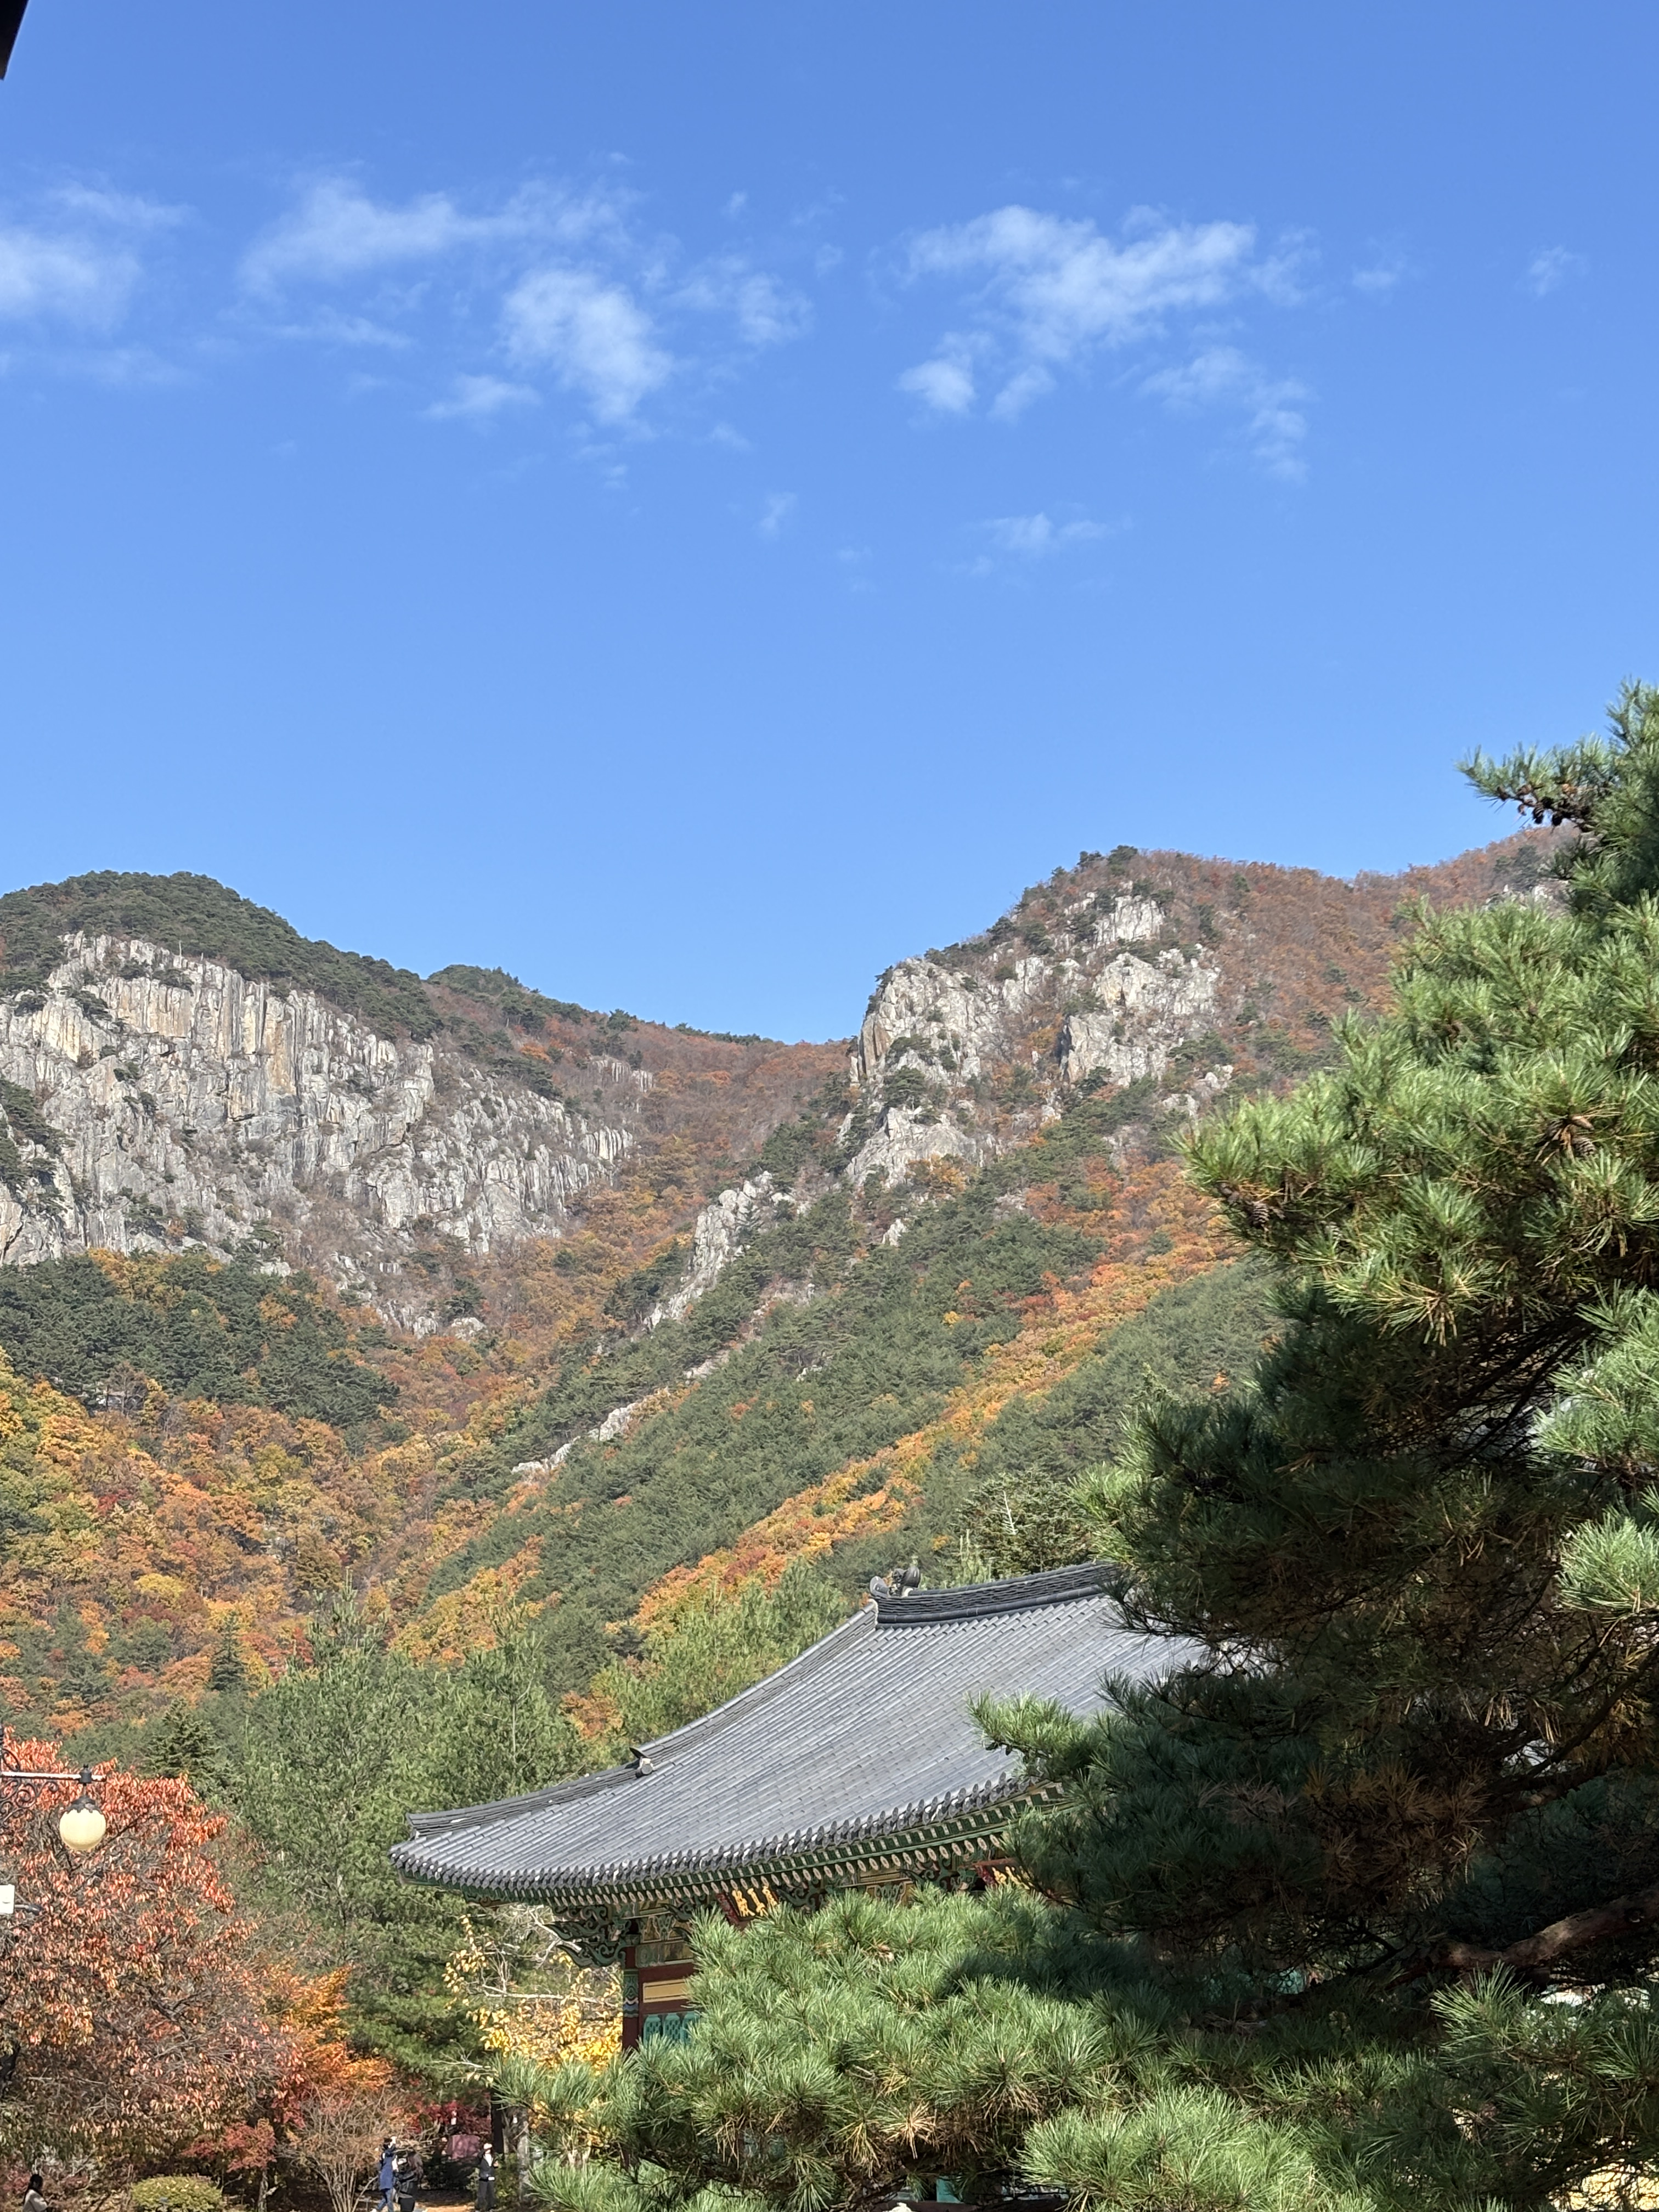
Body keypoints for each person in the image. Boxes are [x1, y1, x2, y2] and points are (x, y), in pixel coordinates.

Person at [475, 2144, 495, 2212]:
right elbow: (479, 2156)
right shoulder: (482, 2157)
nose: (488, 2150)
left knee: (491, 2194)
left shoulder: (493, 2156)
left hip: (491, 2177)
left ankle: (491, 2208)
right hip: (483, 2177)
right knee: (482, 2195)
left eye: (489, 2149)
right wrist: (485, 2149)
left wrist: (496, 2166)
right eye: (486, 2149)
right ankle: (478, 2208)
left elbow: (493, 2165)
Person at [377, 2140, 396, 2212]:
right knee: (389, 2199)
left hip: (384, 2178)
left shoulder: (385, 2155)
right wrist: (394, 2142)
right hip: (387, 2179)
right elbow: (392, 2150)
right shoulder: (387, 2154)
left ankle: (377, 2209)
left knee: (386, 2198)